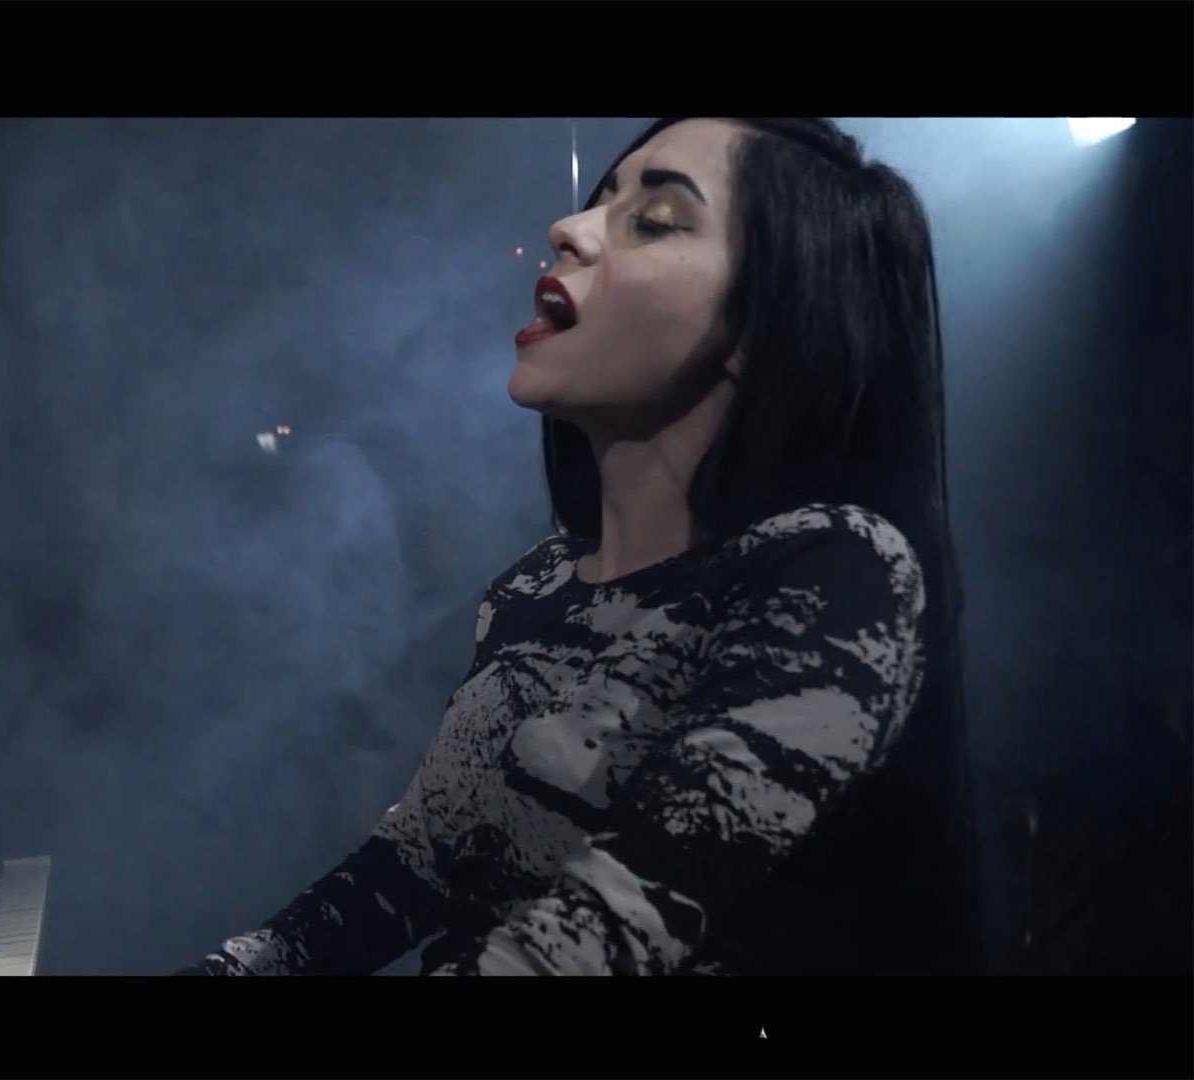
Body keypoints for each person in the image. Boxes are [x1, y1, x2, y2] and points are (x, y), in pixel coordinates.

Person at [178, 118, 981, 976]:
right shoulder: (530, 587)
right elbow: (411, 864)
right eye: (601, 198)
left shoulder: (834, 568)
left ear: (764, 325)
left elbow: (606, 929)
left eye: (656, 219)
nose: (569, 229)